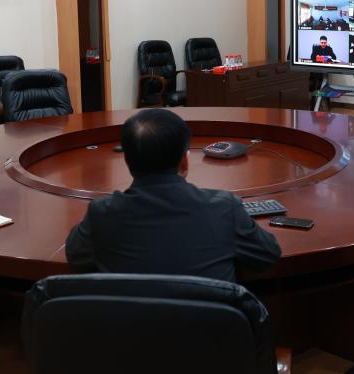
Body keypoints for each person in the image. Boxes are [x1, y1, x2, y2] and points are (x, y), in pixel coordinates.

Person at [64, 108, 281, 282]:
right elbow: (268, 254)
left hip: (129, 325)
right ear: (184, 162)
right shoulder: (224, 208)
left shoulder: (102, 214)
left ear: (127, 162)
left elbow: (75, 256)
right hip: (207, 325)